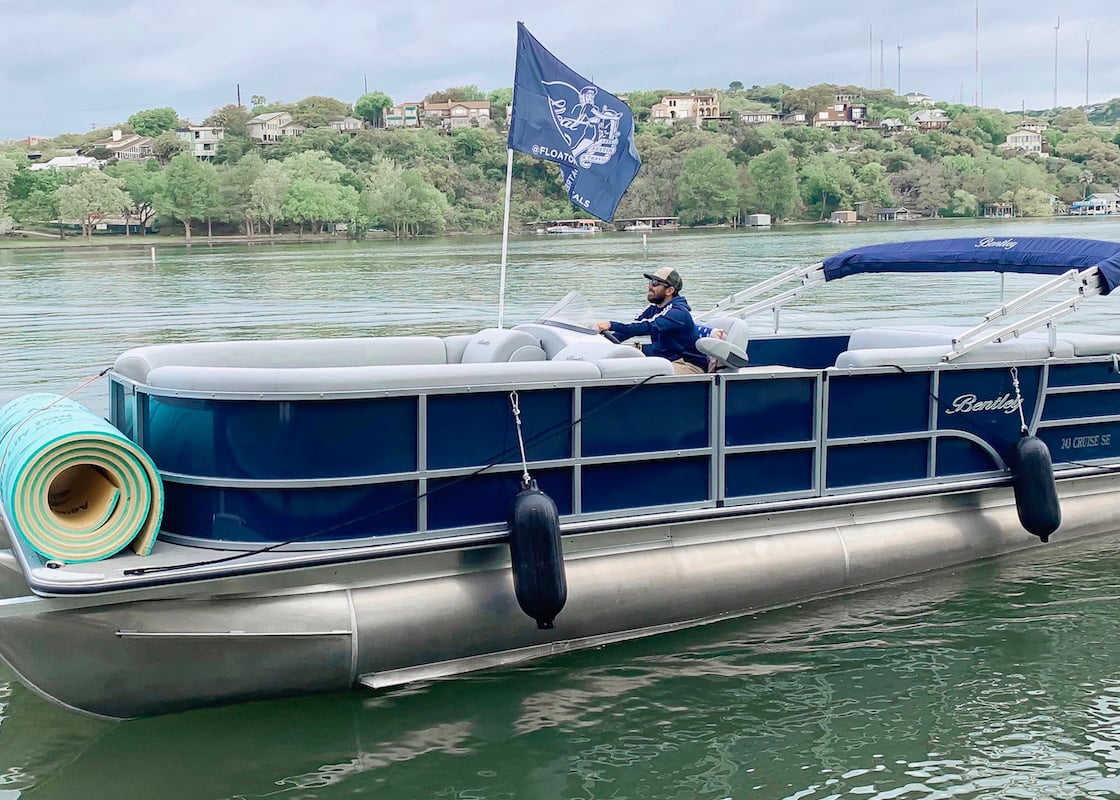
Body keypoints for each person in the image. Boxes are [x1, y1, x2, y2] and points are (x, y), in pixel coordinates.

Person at [596, 267, 707, 375]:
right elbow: (631, 329)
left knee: (636, 370)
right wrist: (603, 343)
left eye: (655, 283)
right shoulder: (653, 308)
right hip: (666, 359)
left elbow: (648, 327)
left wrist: (611, 325)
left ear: (670, 290)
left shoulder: (678, 312)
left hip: (688, 365)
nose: (650, 286)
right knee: (617, 359)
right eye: (650, 281)